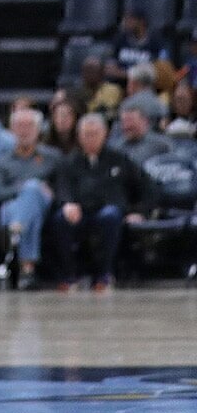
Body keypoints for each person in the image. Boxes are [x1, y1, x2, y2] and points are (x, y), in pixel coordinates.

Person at [46, 112, 150, 290]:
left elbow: (147, 187)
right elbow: (62, 187)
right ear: (79, 137)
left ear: (104, 134)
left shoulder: (120, 159)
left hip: (110, 210)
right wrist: (67, 204)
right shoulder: (69, 162)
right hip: (80, 211)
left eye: (94, 134)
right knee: (60, 219)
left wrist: (140, 211)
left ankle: (105, 273)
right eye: (86, 134)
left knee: (110, 217)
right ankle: (70, 274)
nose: (90, 138)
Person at [0, 107, 61, 287]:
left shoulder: (52, 157)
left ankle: (14, 230)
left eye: (29, 126)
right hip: (13, 205)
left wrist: (48, 191)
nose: (24, 131)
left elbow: (62, 187)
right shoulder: (1, 161)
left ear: (38, 130)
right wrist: (21, 190)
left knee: (33, 189)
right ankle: (27, 268)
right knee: (28, 198)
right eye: (19, 126)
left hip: (45, 204)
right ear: (11, 130)